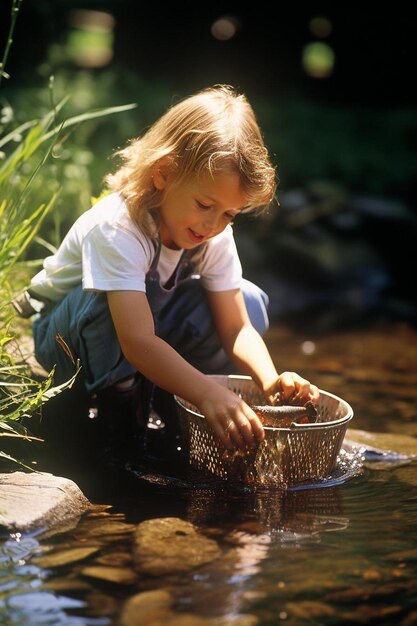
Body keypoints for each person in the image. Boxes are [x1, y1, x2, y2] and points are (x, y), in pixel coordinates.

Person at [21, 84, 319, 464]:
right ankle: (121, 415)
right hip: (65, 339)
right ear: (164, 173)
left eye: (230, 213)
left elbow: (237, 329)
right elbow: (138, 341)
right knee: (108, 304)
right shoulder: (118, 227)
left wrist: (271, 381)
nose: (214, 224)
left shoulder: (213, 234)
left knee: (247, 299)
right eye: (205, 205)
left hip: (140, 330)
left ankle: (174, 403)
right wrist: (208, 393)